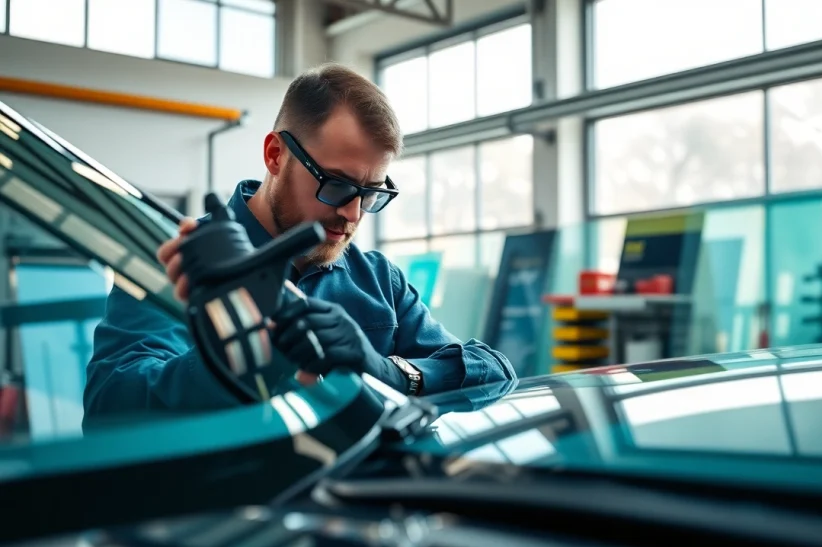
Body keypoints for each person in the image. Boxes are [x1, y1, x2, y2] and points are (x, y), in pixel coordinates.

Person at [83, 64, 516, 422]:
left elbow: (495, 371)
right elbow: (108, 409)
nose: (353, 214)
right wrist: (229, 363)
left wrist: (387, 370)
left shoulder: (378, 279)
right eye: (337, 185)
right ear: (275, 155)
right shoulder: (180, 257)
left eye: (371, 193)